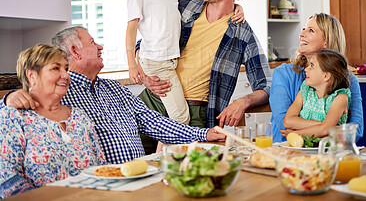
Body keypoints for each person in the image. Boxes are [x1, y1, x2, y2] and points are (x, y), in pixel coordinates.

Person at [0, 27, 225, 165]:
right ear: (75, 52)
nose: (100, 46)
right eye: (92, 42)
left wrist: (205, 134)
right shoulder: (60, 94)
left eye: (62, 68)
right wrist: (8, 99)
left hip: (139, 177)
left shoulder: (115, 89)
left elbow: (155, 123)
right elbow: (29, 103)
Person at [136, 0, 271, 152]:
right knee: (125, 160)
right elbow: (144, 42)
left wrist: (243, 102)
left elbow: (266, 84)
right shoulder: (184, 8)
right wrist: (144, 73)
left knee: (182, 173)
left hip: (194, 115)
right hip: (153, 101)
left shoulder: (242, 32)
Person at [126, 0, 244, 128]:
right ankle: (164, 156)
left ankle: (162, 155)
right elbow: (131, 28)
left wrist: (236, 6)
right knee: (180, 119)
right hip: (157, 63)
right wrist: (132, 64)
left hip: (169, 61)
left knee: (173, 119)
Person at [0, 44, 106, 198]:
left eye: (66, 69)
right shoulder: (13, 117)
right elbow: (6, 179)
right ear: (32, 76)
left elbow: (101, 168)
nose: (65, 75)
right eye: (56, 68)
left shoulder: (80, 117)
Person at [270, 13, 363, 143]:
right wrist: (328, 126)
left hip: (330, 152)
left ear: (327, 41)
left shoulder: (348, 79)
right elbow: (284, 125)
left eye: (311, 30)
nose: (301, 34)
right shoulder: (283, 74)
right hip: (288, 150)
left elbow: (355, 131)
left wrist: (325, 128)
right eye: (304, 29)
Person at [282, 49, 351, 138]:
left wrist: (295, 134)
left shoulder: (340, 98)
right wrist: (325, 125)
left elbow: (325, 130)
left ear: (326, 76)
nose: (306, 69)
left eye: (312, 66)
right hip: (303, 148)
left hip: (329, 150)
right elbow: (288, 121)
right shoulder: (305, 92)